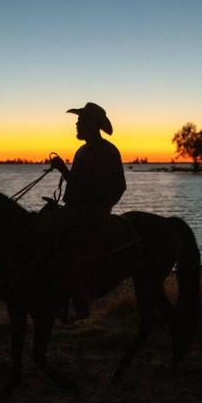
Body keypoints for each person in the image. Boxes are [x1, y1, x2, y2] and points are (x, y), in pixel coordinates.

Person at [48, 102, 127, 321]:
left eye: (81, 121)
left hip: (93, 215)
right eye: (78, 121)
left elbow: (119, 186)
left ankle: (80, 299)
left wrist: (100, 209)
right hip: (74, 210)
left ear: (92, 125)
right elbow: (77, 183)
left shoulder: (108, 151)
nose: (76, 124)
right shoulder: (82, 151)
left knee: (74, 246)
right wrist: (63, 169)